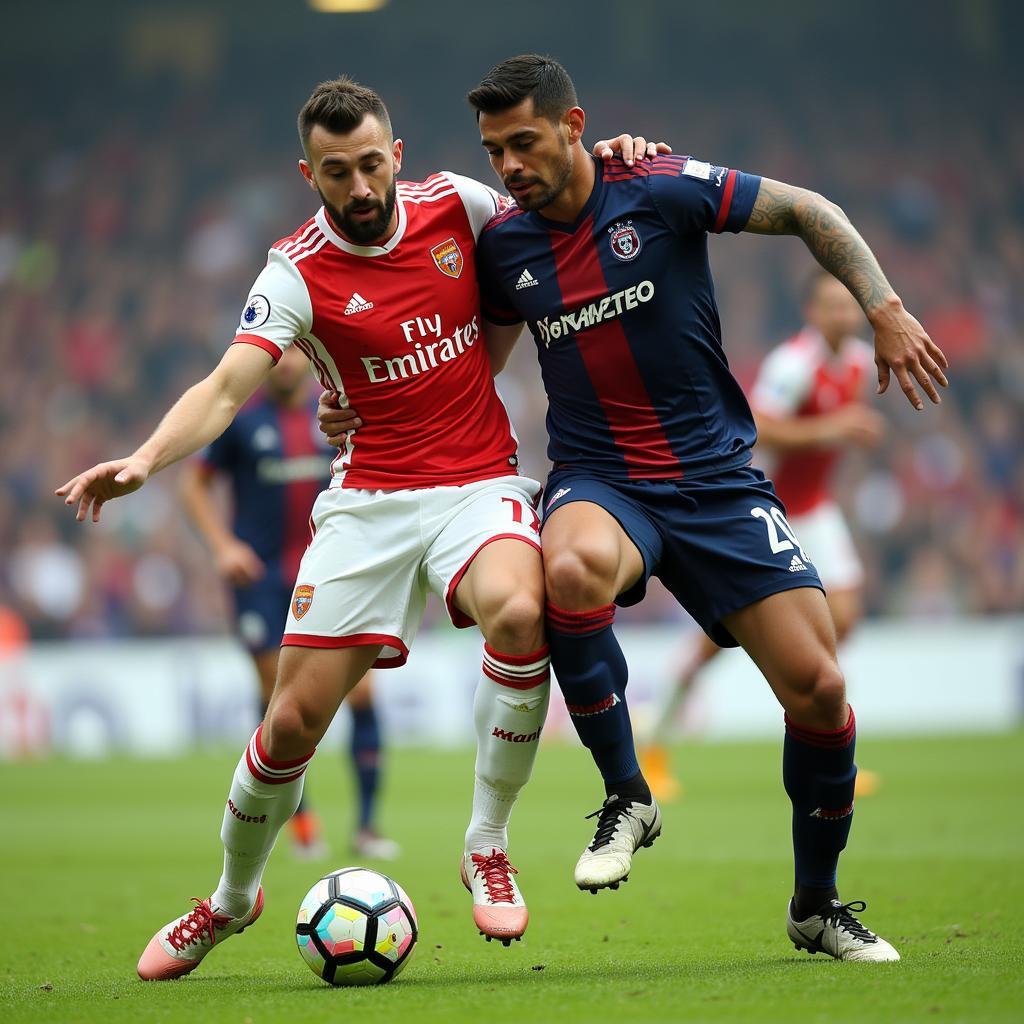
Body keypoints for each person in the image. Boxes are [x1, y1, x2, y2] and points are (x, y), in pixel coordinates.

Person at [56, 74, 660, 976]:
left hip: (476, 483)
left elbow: (560, 200)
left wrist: (615, 154)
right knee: (291, 720)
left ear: (398, 156)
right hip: (368, 500)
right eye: (338, 172)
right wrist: (146, 458)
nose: (361, 187)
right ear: (311, 174)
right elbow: (227, 385)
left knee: (522, 612)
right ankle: (229, 900)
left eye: (372, 164)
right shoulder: (294, 269)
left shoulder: (460, 204)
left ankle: (486, 843)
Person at [460, 54, 946, 962]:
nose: (510, 166)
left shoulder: (657, 184)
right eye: (495, 152)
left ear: (573, 126)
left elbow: (810, 211)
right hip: (601, 479)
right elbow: (475, 357)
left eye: (524, 142)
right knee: (566, 566)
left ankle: (816, 905)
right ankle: (625, 795)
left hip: (718, 480)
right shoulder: (505, 249)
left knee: (823, 689)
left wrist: (882, 306)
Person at [641, 270, 885, 802]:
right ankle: (654, 745)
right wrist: (836, 427)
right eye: (832, 306)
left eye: (849, 306)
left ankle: (835, 749)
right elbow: (760, 425)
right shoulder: (793, 364)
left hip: (815, 510)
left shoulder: (861, 363)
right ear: (811, 312)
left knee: (843, 618)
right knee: (718, 641)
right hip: (767, 506)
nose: (843, 315)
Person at [180, 343, 399, 860]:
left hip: (331, 576)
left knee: (362, 695)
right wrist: (222, 546)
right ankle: (301, 823)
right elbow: (194, 486)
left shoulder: (334, 416)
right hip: (260, 579)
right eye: (281, 356)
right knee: (280, 702)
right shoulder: (241, 421)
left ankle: (367, 827)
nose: (290, 364)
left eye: (299, 355)